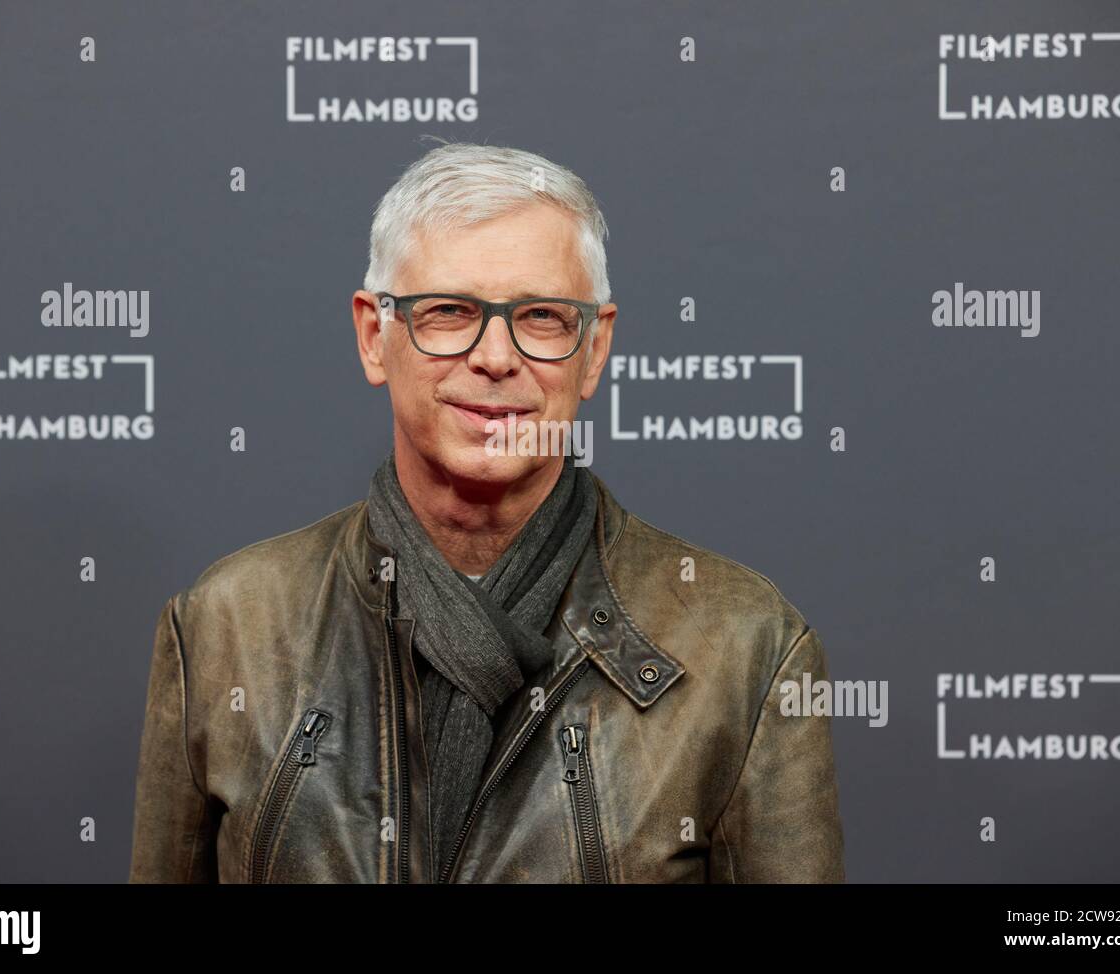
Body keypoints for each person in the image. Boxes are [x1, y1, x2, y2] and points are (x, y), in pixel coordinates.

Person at [128, 140, 845, 883]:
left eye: (540, 316)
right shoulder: (226, 627)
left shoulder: (744, 648)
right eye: (449, 312)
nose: (496, 356)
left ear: (593, 350)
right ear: (376, 336)